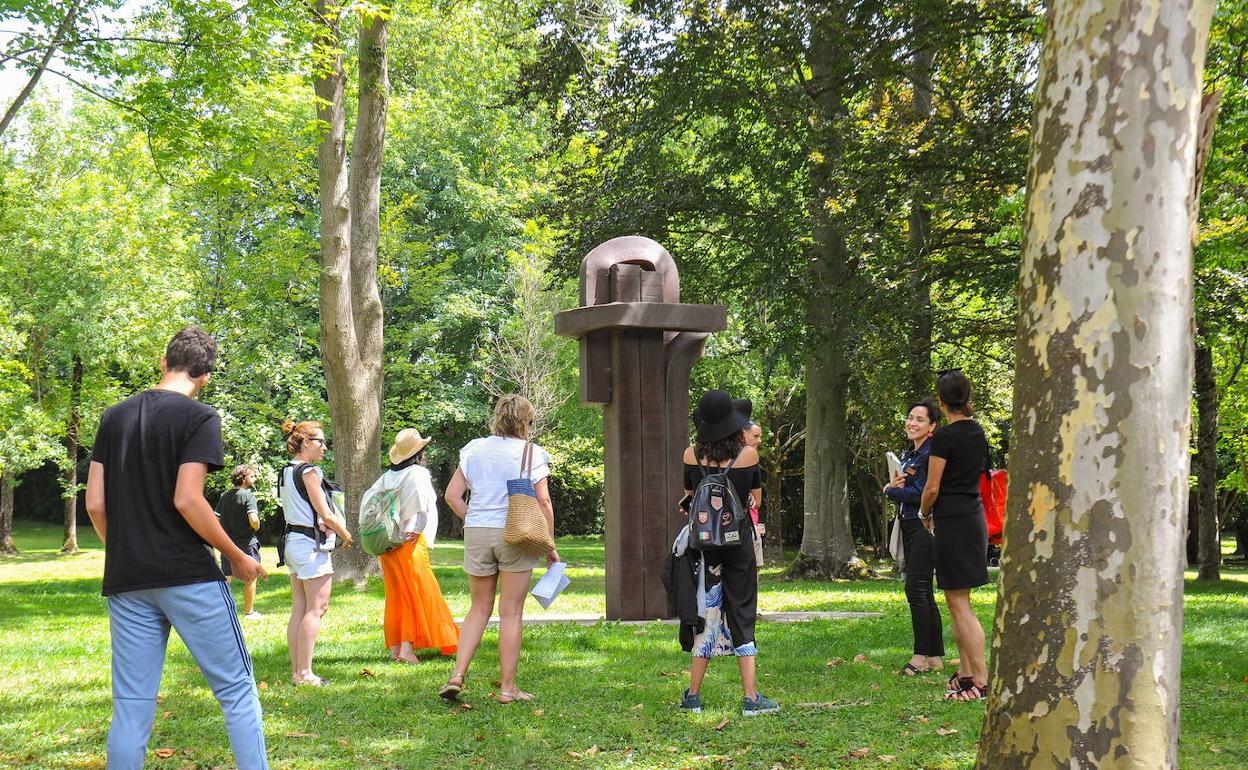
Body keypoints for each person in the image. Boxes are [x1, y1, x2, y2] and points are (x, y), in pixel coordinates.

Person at [84, 326, 269, 770]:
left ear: (164, 362)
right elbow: (187, 499)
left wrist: (127, 551)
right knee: (236, 690)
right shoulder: (200, 418)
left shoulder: (114, 416)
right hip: (188, 576)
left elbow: (94, 502)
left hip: (127, 579)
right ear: (205, 376)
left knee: (131, 703)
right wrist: (239, 556)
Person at [441, 394, 559, 704]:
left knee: (478, 607)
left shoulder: (473, 449)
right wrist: (549, 542)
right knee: (511, 612)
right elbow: (543, 501)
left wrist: (475, 518)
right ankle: (508, 688)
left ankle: (457, 674)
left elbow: (452, 495)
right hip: (516, 533)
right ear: (525, 421)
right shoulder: (531, 453)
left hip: (477, 531)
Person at [679, 390, 779, 717]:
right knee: (742, 613)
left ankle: (693, 695)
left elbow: (690, 498)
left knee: (708, 614)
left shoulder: (691, 456)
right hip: (740, 546)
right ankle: (751, 698)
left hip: (707, 548)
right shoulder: (747, 457)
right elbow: (755, 500)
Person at [918, 370, 991, 701]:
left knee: (960, 604)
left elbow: (932, 486)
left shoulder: (945, 438)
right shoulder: (977, 432)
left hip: (952, 521)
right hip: (973, 518)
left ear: (942, 401)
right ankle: (964, 672)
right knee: (957, 600)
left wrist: (922, 513)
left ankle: (980, 679)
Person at [280, 420, 354, 687]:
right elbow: (325, 513)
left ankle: (298, 672)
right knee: (317, 608)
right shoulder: (310, 471)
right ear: (306, 443)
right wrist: (346, 535)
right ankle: (306, 673)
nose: (325, 446)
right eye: (320, 441)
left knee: (300, 608)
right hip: (310, 546)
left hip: (293, 543)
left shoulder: (286, 471)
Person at [377, 428, 459, 663]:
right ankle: (406, 649)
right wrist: (415, 527)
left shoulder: (387, 477)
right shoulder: (418, 474)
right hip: (409, 540)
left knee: (396, 595)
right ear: (419, 454)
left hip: (387, 541)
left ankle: (395, 648)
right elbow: (421, 506)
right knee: (415, 592)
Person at [884, 399, 944, 676]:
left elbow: (922, 494)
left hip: (924, 526)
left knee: (916, 590)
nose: (912, 423)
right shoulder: (910, 454)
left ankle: (920, 655)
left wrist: (890, 490)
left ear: (932, 426)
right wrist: (896, 485)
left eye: (920, 419)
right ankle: (934, 656)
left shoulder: (930, 454)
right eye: (910, 417)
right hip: (907, 523)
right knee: (924, 592)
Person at [216, 464, 263, 618]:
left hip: (228, 545)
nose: (254, 479)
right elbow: (254, 520)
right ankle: (249, 612)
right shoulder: (248, 495)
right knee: (251, 577)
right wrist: (256, 527)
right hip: (247, 544)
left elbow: (215, 519)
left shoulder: (224, 496)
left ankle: (217, 611)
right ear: (243, 479)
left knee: (226, 577)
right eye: (251, 476)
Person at [742, 421, 766, 568]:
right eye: (755, 436)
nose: (759, 441)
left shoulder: (753, 459)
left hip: (752, 523)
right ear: (743, 435)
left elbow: (756, 502)